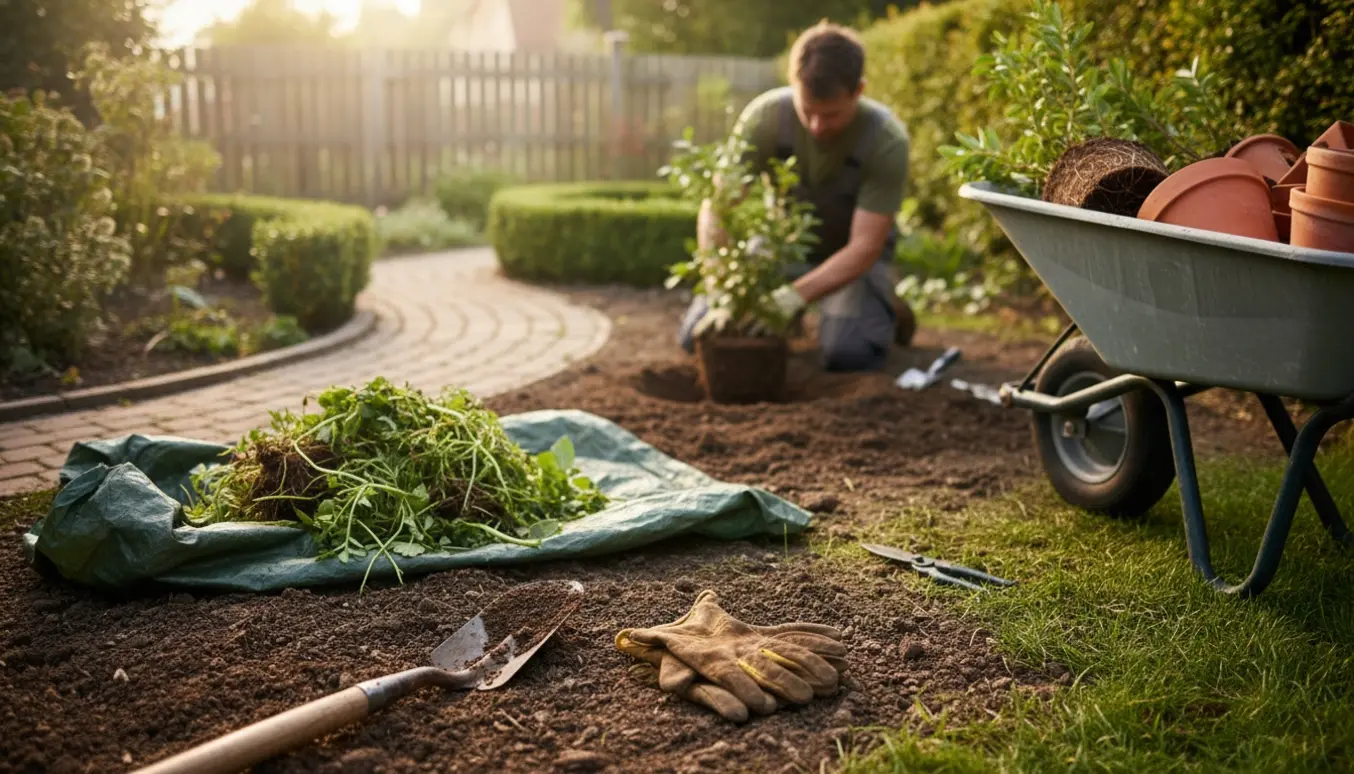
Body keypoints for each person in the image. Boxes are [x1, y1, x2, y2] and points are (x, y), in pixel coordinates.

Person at [676, 20, 913, 372]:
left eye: (830, 115)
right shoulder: (766, 117)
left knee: (847, 355)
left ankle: (887, 306)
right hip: (784, 245)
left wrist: (791, 298)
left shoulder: (885, 139)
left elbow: (865, 247)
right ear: (792, 85)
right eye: (808, 112)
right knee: (699, 336)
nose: (817, 127)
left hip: (852, 258)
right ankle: (812, 313)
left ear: (859, 91)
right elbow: (717, 209)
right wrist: (722, 287)